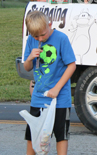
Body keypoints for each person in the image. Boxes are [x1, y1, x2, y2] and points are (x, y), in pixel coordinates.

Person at [23, 11, 76, 155]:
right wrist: (29, 59)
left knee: (61, 135)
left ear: (50, 25)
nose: (40, 38)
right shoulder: (31, 40)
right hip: (39, 97)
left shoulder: (61, 38)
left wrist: (57, 88)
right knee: (33, 135)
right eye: (36, 36)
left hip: (60, 98)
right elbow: (27, 68)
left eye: (43, 34)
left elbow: (72, 65)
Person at [28, 0, 48, 95]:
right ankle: (34, 100)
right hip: (36, 49)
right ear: (39, 0)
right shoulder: (34, 13)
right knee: (34, 77)